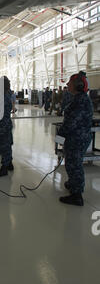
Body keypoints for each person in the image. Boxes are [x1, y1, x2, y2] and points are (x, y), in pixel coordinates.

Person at [57, 71, 93, 206]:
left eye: (70, 83)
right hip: (77, 137)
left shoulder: (80, 101)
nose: (67, 85)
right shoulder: (79, 98)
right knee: (72, 162)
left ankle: (77, 195)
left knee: (74, 165)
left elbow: (71, 123)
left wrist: (59, 137)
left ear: (78, 86)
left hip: (77, 139)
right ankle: (73, 183)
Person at [0, 76, 14, 177]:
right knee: (7, 144)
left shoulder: (3, 97)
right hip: (6, 123)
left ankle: (4, 168)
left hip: (2, 124)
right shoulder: (6, 94)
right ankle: (9, 163)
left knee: (4, 146)